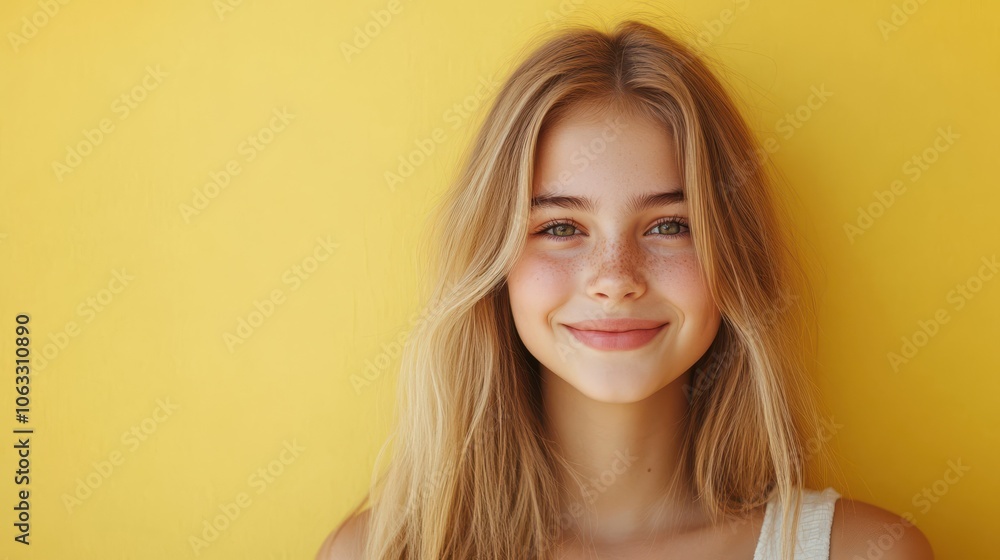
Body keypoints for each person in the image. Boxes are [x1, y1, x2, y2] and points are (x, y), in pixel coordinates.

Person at [318, 18, 933, 560]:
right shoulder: (379, 553)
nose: (615, 277)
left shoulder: (864, 553)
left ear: (735, 256)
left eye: (670, 225)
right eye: (560, 227)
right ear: (495, 266)